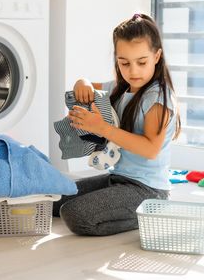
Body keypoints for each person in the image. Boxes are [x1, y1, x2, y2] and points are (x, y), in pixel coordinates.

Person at [53, 13, 181, 236]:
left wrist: (101, 128)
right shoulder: (121, 87)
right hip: (119, 179)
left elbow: (150, 150)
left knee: (74, 214)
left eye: (142, 62)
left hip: (148, 190)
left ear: (157, 56)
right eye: (124, 63)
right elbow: (87, 85)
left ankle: (152, 213)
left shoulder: (157, 98)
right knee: (55, 198)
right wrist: (81, 83)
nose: (133, 71)